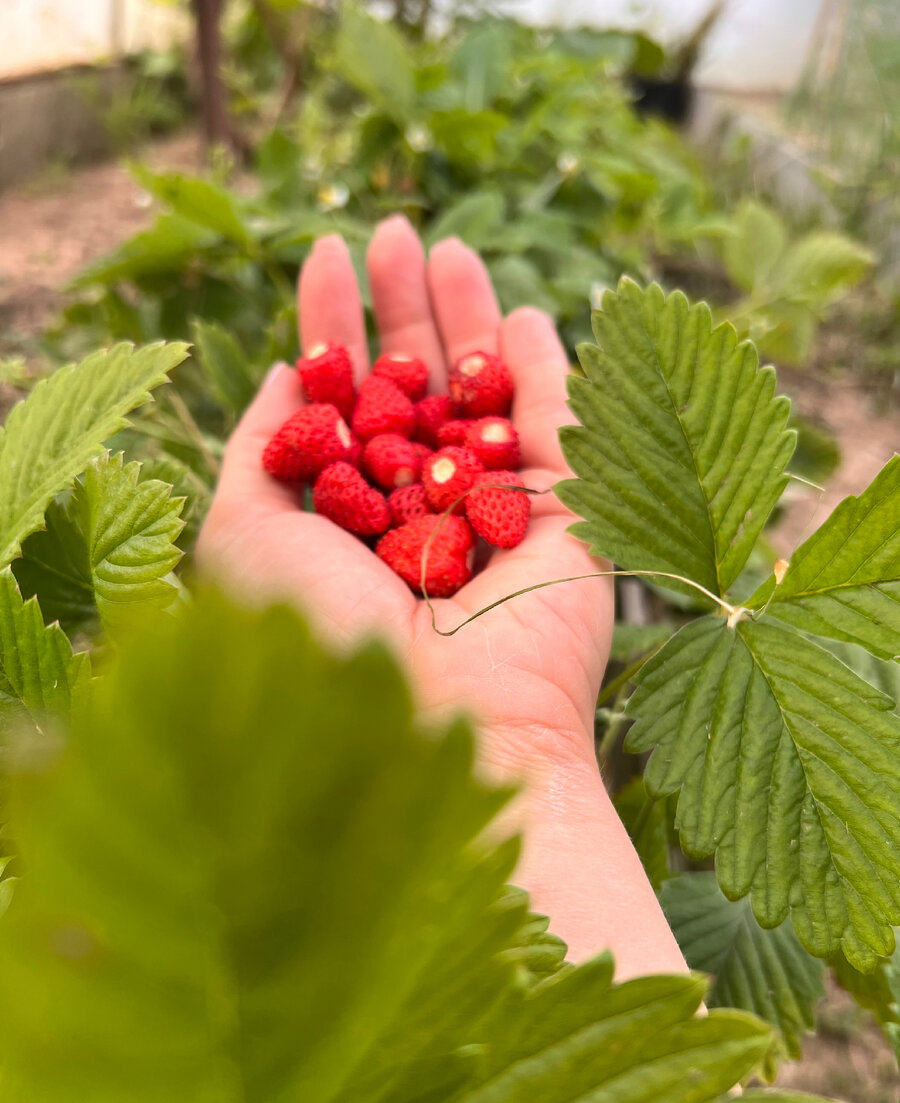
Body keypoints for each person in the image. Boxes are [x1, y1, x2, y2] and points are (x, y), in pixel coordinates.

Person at [197, 215, 688, 979]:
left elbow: (438, 467)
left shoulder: (456, 470)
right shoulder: (405, 466)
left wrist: (519, 734)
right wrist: (519, 741)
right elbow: (386, 461)